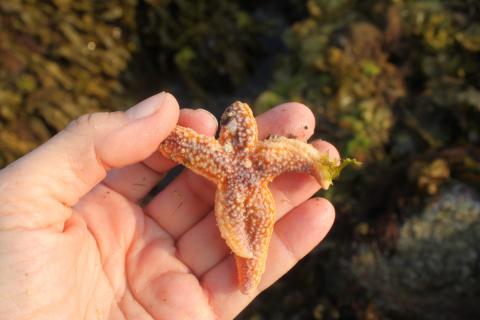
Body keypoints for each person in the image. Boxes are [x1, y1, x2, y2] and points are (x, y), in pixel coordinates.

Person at [0, 92, 338, 319]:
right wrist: (153, 134)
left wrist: (317, 167)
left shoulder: (239, 164)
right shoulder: (235, 167)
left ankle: (251, 266)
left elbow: (244, 125)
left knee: (255, 241)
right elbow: (186, 134)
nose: (235, 116)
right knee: (249, 238)